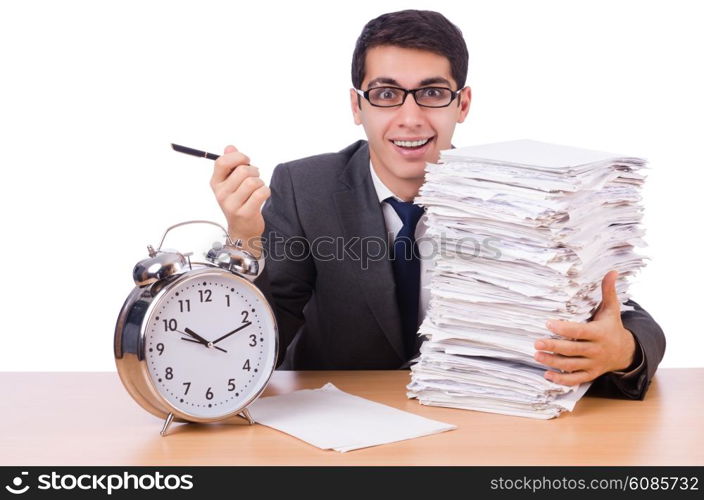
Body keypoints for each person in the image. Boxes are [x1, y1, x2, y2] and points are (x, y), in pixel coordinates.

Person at [209, 9, 665, 399]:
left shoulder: (515, 195)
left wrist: (622, 350)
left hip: (476, 421)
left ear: (461, 104)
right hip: (336, 422)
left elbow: (619, 313)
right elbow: (260, 332)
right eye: (386, 94)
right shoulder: (304, 187)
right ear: (357, 105)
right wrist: (245, 243)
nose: (410, 118)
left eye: (432, 93)